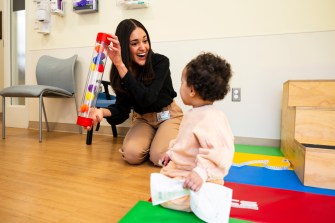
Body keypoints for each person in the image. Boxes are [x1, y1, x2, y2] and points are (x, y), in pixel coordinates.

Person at [87, 19, 183, 166]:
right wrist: (101, 112)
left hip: (168, 116)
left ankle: (160, 142)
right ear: (125, 47)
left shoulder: (161, 62)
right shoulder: (120, 71)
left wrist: (120, 65)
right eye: (134, 43)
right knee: (131, 155)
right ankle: (154, 141)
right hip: (143, 119)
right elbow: (122, 109)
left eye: (145, 41)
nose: (143, 47)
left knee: (159, 157)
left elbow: (148, 98)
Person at [159, 52, 235, 212]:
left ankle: (206, 198)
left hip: (200, 174)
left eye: (182, 82)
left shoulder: (212, 118)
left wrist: (201, 173)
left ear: (192, 90)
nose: (180, 86)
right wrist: (171, 153)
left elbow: (220, 152)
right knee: (161, 183)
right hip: (182, 168)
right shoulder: (193, 113)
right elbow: (183, 141)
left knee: (167, 198)